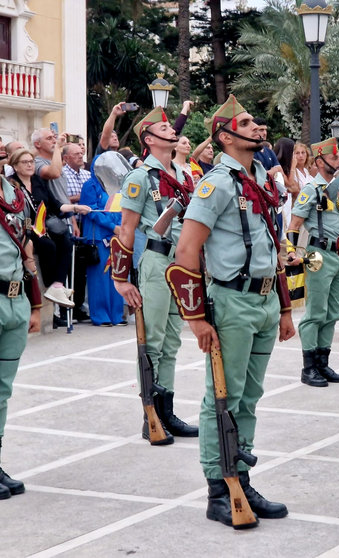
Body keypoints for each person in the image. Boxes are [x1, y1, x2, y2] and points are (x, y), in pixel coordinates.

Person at [165, 95, 295, 528]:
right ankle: (219, 489)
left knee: (250, 397)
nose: (258, 127)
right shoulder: (217, 183)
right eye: (246, 123)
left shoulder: (258, 178)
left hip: (262, 300)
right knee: (223, 396)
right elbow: (186, 251)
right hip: (231, 300)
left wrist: (284, 309)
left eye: (257, 122)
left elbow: (272, 249)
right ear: (225, 136)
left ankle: (242, 478)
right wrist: (197, 316)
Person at [111, 106, 198, 444]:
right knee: (154, 341)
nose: (172, 129)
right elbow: (127, 229)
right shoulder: (140, 177)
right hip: (157, 262)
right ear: (149, 139)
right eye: (164, 127)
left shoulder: (184, 174)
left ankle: (168, 410)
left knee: (173, 341)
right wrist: (121, 278)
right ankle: (151, 416)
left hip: (182, 264)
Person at [0, 115, 41, 499]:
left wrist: (35, 302)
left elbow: (27, 249)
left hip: (15, 297)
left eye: (3, 139)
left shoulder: (15, 193)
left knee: (1, 390)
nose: (3, 144)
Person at [286, 137, 339, 387]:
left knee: (333, 311)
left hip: (337, 254)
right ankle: (309, 366)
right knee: (316, 312)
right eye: (334, 158)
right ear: (321, 161)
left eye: (338, 157)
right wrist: (293, 252)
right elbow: (294, 224)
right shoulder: (311, 189)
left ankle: (323, 363)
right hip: (317, 254)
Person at [8, 148, 90, 317]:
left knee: (66, 242)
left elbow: (55, 204)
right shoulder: (11, 184)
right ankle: (50, 284)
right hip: (25, 226)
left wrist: (75, 207)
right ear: (15, 166)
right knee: (48, 245)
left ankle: (57, 286)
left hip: (43, 224)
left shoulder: (38, 181)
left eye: (31, 161)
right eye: (25, 162)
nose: (30, 165)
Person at [79, 153, 125, 326]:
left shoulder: (117, 185)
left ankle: (117, 314)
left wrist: (120, 227)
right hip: (98, 235)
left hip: (118, 234)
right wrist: (113, 227)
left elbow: (123, 207)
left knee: (118, 274)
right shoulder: (89, 185)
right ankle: (100, 315)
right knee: (99, 276)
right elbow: (92, 211)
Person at [63, 142, 92, 321]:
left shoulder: (88, 174)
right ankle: (69, 305)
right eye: (76, 154)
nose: (81, 156)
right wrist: (81, 198)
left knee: (83, 268)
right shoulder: (62, 174)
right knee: (72, 267)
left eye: (81, 153)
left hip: (88, 224)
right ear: (66, 158)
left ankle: (80, 305)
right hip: (70, 223)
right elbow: (63, 198)